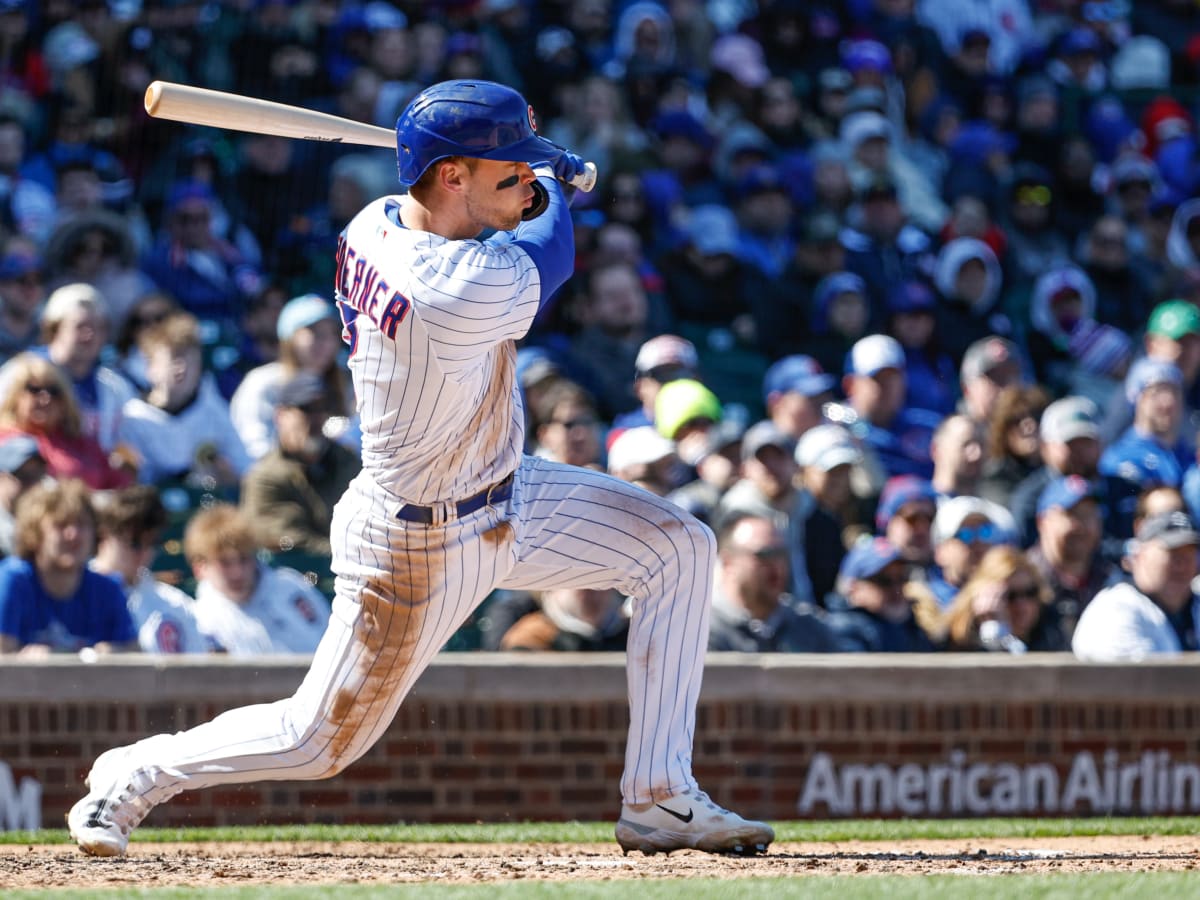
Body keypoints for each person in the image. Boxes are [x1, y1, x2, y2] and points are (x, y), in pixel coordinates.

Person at [69, 81, 773, 859]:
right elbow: (553, 253)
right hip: (417, 546)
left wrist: (525, 174)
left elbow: (500, 218)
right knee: (315, 742)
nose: (525, 179)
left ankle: (660, 798)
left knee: (679, 547)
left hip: (510, 490)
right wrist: (560, 188)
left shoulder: (374, 222)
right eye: (509, 169)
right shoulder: (454, 288)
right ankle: (135, 771)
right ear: (451, 177)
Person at [0, 479, 137, 656]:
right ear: (35, 533)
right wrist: (23, 660)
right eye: (61, 525)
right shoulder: (12, 580)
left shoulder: (108, 589)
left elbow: (136, 656)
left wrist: (113, 654)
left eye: (82, 524)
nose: (73, 535)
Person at [117, 312, 251, 487]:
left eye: (191, 360)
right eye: (174, 359)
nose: (183, 368)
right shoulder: (131, 419)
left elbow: (244, 469)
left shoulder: (214, 412)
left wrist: (226, 474)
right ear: (151, 367)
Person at [239, 372, 361, 557]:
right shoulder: (265, 478)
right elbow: (292, 544)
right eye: (306, 408)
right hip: (302, 579)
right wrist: (354, 556)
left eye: (322, 407)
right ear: (281, 415)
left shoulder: (346, 460)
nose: (316, 417)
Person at [184, 504, 329, 657]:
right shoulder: (200, 623)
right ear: (199, 568)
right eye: (224, 563)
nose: (237, 572)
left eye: (244, 559)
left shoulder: (292, 588)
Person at [90, 485, 215, 655]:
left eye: (152, 543)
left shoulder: (174, 604)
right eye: (134, 543)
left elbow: (198, 670)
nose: (144, 553)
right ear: (105, 535)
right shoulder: (75, 595)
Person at [1072, 511, 1200, 661]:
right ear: (1140, 555)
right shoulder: (1116, 609)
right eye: (1172, 553)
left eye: (1190, 553)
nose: (1182, 564)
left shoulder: (1194, 603)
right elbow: (1149, 681)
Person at [708, 513, 841, 653]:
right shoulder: (703, 629)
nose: (777, 565)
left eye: (781, 554)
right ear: (728, 562)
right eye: (764, 555)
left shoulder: (810, 627)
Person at [0, 353, 132, 490]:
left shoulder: (83, 444)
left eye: (54, 392)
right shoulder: (3, 441)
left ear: (65, 403)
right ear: (15, 396)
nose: (45, 399)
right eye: (34, 389)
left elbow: (119, 486)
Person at [941, 545, 1067, 653]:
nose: (1021, 604)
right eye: (1010, 595)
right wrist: (993, 631)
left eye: (1030, 593)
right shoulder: (958, 639)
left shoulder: (1051, 630)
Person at [823, 536, 938, 653]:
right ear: (854, 588)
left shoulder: (909, 625)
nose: (896, 588)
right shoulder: (843, 631)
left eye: (902, 578)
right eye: (884, 580)